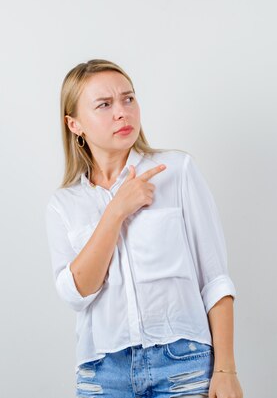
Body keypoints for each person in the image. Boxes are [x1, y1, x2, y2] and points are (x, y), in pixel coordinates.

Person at [45, 59, 243, 398]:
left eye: (128, 98)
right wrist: (116, 210)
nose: (122, 112)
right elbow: (77, 292)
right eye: (104, 105)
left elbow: (214, 279)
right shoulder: (64, 204)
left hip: (182, 365)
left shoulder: (177, 171)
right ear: (74, 124)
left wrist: (225, 370)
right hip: (102, 375)